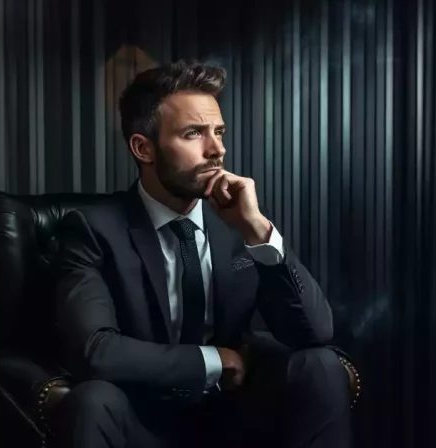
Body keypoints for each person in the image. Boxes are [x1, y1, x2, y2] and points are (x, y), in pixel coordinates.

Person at [55, 60, 352, 448]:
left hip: (236, 415)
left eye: (219, 132)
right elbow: (94, 350)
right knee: (93, 400)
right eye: (194, 133)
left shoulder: (236, 226)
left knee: (323, 366)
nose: (217, 149)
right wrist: (212, 360)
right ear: (143, 148)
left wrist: (257, 230)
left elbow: (315, 332)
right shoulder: (93, 229)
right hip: (141, 418)